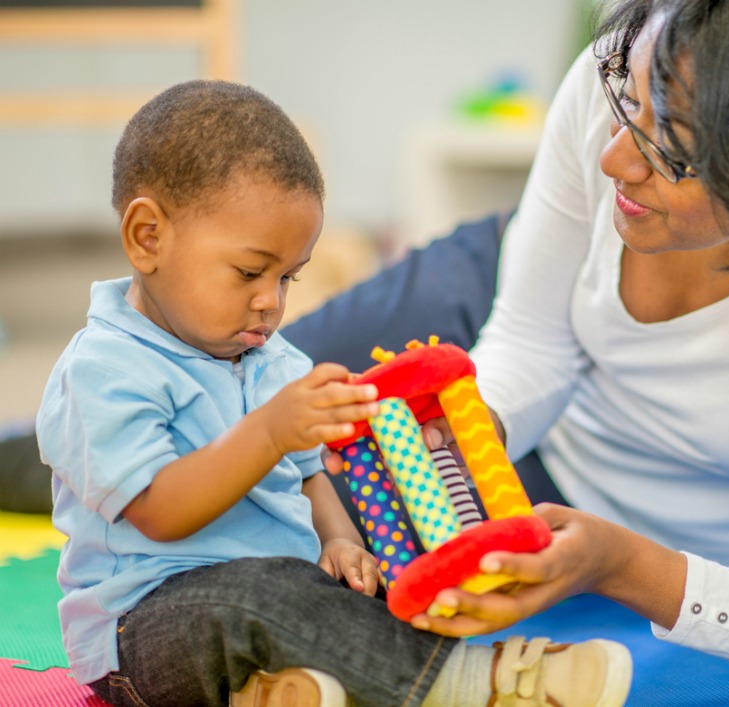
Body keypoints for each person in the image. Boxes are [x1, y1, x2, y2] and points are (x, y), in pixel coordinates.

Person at [344, 0, 729, 704]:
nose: (613, 158)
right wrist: (468, 426)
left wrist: (625, 566)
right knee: (227, 423)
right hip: (487, 316)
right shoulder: (637, 61)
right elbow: (531, 339)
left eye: (672, 151)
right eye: (624, 103)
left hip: (623, 535)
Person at [34, 80, 633, 707]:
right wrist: (268, 432)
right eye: (248, 272)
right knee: (257, 600)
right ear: (148, 236)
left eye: (288, 277)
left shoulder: (270, 359)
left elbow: (311, 477)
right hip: (149, 630)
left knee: (369, 584)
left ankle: (283, 693)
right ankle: (482, 683)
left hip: (279, 596)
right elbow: (158, 512)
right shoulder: (102, 369)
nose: (271, 301)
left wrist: (341, 541)